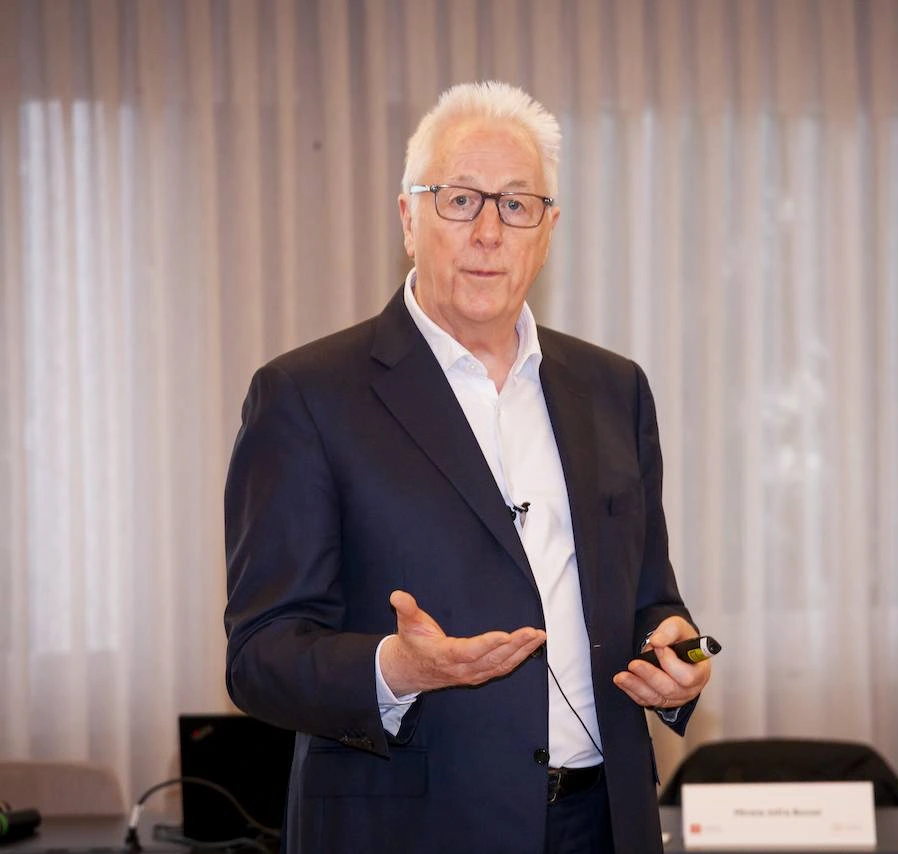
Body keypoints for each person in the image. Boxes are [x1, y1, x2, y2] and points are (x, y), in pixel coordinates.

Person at [224, 81, 711, 854]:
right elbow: (260, 657)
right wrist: (396, 667)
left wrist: (677, 656)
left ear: (547, 231)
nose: (489, 231)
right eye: (460, 200)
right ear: (408, 218)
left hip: (603, 821)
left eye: (517, 205)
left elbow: (653, 600)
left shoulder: (615, 389)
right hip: (409, 828)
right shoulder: (307, 396)